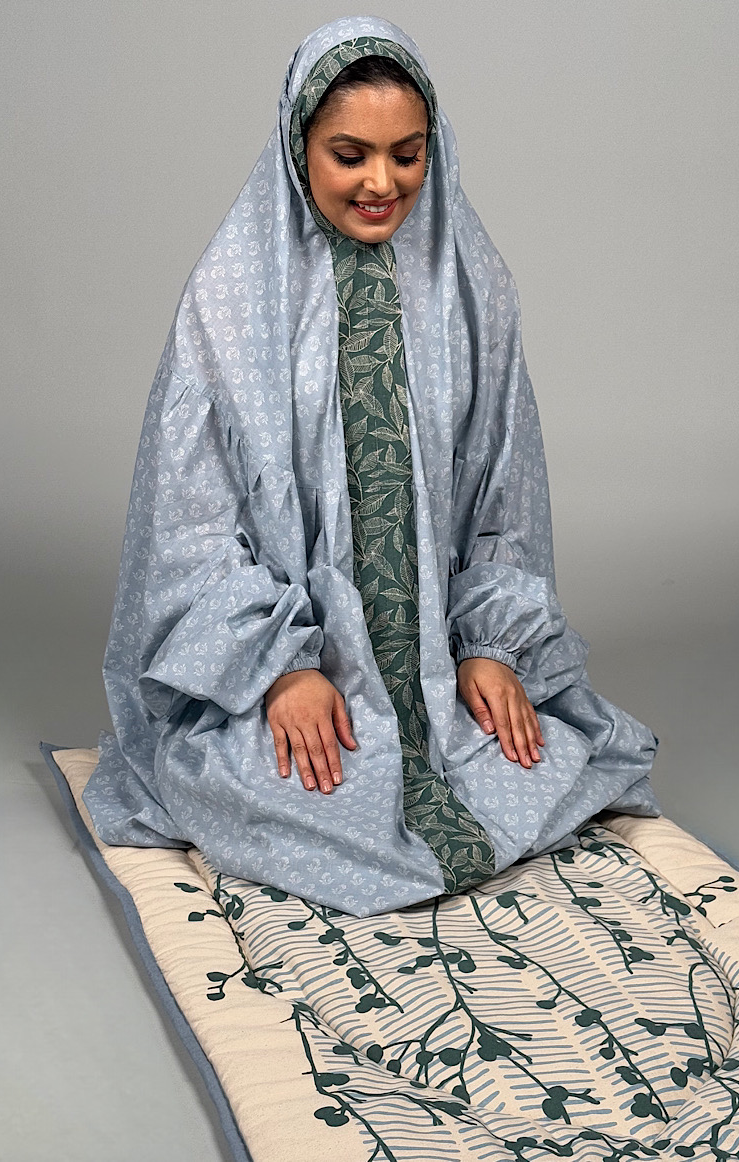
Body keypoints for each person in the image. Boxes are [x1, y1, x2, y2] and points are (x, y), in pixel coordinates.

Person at [82, 15, 660, 918]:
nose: (382, 183)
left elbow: (505, 485)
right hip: (301, 669)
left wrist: (490, 647)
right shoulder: (232, 300)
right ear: (297, 147)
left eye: (407, 154)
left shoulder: (472, 285)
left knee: (539, 761)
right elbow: (190, 523)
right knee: (274, 788)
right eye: (349, 155)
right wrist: (280, 669)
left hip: (438, 656)